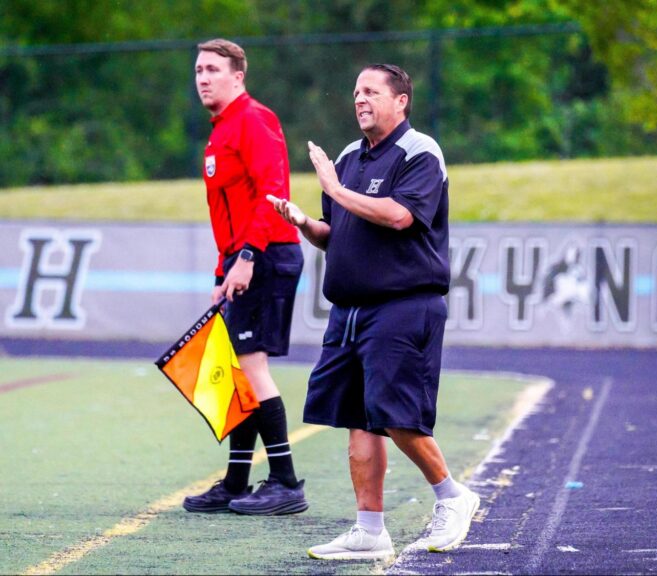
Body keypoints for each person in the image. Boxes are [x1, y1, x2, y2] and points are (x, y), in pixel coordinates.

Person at [268, 63, 479, 561]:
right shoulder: (346, 156)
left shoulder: (420, 151)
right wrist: (302, 221)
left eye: (371, 91)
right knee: (357, 419)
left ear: (401, 100)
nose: (359, 99)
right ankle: (369, 529)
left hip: (404, 305)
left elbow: (400, 215)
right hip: (350, 310)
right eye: (355, 90)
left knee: (396, 415)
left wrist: (337, 190)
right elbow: (333, 230)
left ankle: (454, 495)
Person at [181, 38, 308, 516]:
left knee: (252, 368)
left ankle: (286, 483)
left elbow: (272, 191)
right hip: (245, 258)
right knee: (239, 371)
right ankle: (237, 481)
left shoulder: (254, 119)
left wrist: (249, 255)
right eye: (198, 70)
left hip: (269, 255)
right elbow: (224, 212)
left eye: (213, 69)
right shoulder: (219, 132)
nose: (204, 78)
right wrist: (224, 268)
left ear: (238, 76)